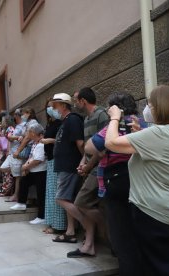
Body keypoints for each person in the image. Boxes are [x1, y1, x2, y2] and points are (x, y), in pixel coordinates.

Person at [105, 83, 169, 275]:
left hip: (155, 215)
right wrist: (140, 135)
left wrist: (114, 118)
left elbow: (112, 143)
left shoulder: (159, 133)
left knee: (159, 267)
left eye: (151, 104)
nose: (149, 109)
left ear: (163, 107)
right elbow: (162, 155)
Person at [86, 92, 143, 275]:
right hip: (140, 182)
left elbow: (90, 147)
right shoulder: (142, 123)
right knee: (138, 231)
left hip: (117, 182)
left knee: (121, 234)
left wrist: (113, 121)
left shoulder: (114, 125)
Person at [65, 87, 109, 258]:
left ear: (83, 100)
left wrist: (88, 166)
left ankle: (108, 227)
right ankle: (89, 244)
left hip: (100, 168)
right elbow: (87, 148)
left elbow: (104, 147)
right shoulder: (86, 119)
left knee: (81, 202)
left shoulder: (101, 115)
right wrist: (82, 163)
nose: (76, 104)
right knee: (86, 205)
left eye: (76, 100)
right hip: (91, 168)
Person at [50, 93, 85, 246]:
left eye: (55, 106)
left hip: (69, 166)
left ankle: (88, 224)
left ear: (63, 105)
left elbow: (80, 143)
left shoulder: (73, 119)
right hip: (64, 166)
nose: (53, 109)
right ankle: (70, 232)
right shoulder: (65, 121)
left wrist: (85, 162)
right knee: (67, 198)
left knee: (61, 198)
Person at [10, 123, 47, 224]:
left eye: (30, 132)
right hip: (33, 171)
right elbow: (31, 157)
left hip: (40, 172)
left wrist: (26, 166)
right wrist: (25, 166)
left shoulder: (41, 144)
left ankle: (41, 217)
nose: (28, 134)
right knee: (24, 182)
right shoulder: (35, 143)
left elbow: (38, 160)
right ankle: (21, 202)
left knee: (41, 195)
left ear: (34, 133)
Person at [40, 99, 67, 234]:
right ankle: (51, 223)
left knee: (56, 193)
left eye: (53, 107)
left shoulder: (61, 123)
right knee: (51, 194)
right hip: (50, 160)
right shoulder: (51, 123)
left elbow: (62, 140)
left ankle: (58, 225)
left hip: (57, 160)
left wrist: (49, 140)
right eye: (49, 107)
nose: (50, 109)